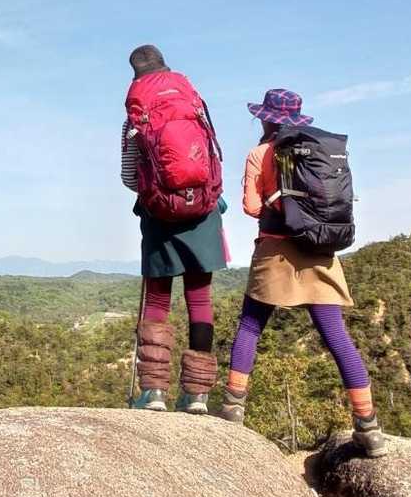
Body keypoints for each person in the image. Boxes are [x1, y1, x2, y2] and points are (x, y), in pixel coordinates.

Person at [218, 88, 387, 458]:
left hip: (275, 250)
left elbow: (250, 207)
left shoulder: (260, 154)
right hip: (319, 248)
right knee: (337, 337)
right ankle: (369, 426)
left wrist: (276, 201)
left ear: (266, 118)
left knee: (250, 326)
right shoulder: (320, 151)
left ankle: (232, 409)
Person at [121, 44, 227, 413]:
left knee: (157, 301)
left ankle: (153, 392)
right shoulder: (194, 104)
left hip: (160, 216)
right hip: (204, 213)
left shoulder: (136, 117)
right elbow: (211, 158)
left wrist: (158, 192)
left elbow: (129, 177)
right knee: (199, 300)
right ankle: (197, 395)